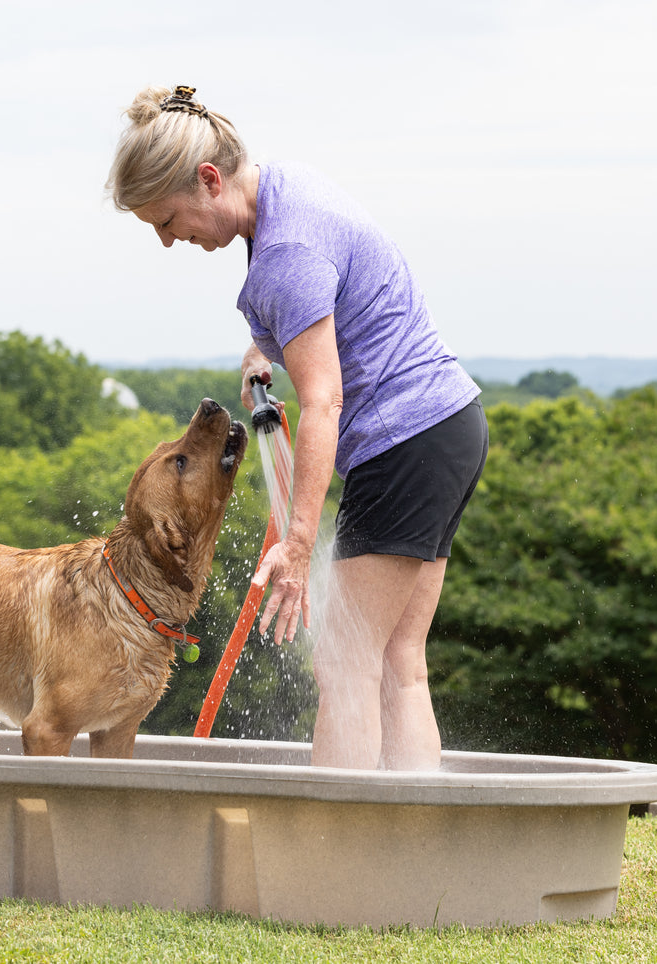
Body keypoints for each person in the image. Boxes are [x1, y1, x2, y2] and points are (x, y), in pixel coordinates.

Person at [107, 85, 487, 770]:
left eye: (166, 219)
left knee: (343, 664)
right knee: (397, 661)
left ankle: (334, 856)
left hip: (402, 445)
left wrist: (298, 544)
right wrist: (268, 347)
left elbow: (325, 401)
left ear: (209, 179)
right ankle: (410, 840)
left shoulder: (285, 257)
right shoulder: (287, 190)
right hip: (447, 427)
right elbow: (329, 308)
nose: (168, 240)